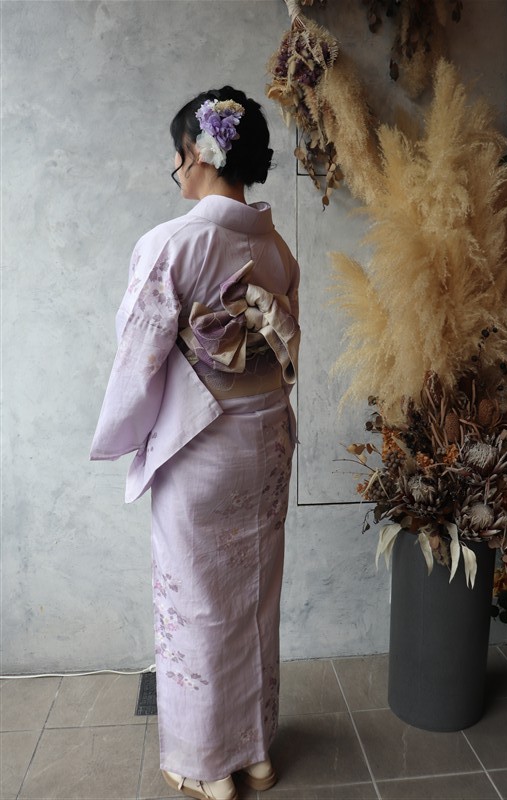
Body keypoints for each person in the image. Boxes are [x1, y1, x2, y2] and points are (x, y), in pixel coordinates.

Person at [90, 86, 300, 800]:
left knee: (198, 606)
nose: (176, 169)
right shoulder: (273, 246)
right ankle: (257, 754)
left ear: (199, 153)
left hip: (202, 447)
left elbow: (136, 359)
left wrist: (126, 435)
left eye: (177, 154)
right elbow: (286, 348)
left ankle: (208, 765)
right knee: (253, 598)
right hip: (265, 440)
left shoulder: (172, 244)